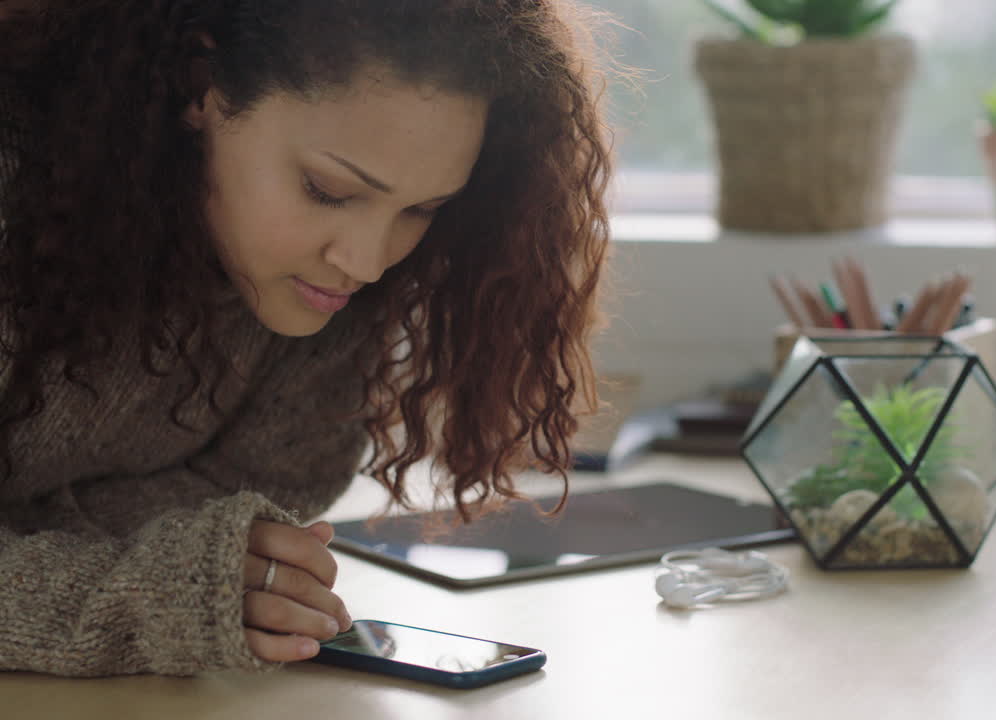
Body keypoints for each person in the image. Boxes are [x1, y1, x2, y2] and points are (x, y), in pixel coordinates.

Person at [0, 0, 611, 677]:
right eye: (327, 190)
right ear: (200, 84)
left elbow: (275, 483)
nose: (368, 261)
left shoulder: (321, 287)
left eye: (421, 210)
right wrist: (140, 594)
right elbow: (193, 558)